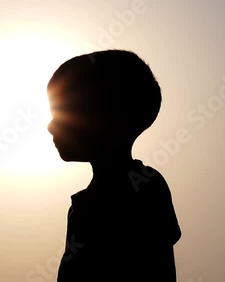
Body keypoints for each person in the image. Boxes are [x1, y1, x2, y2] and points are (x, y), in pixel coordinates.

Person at [46, 50, 182, 281]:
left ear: (106, 117)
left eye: (66, 111)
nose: (50, 126)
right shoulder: (87, 203)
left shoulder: (143, 188)